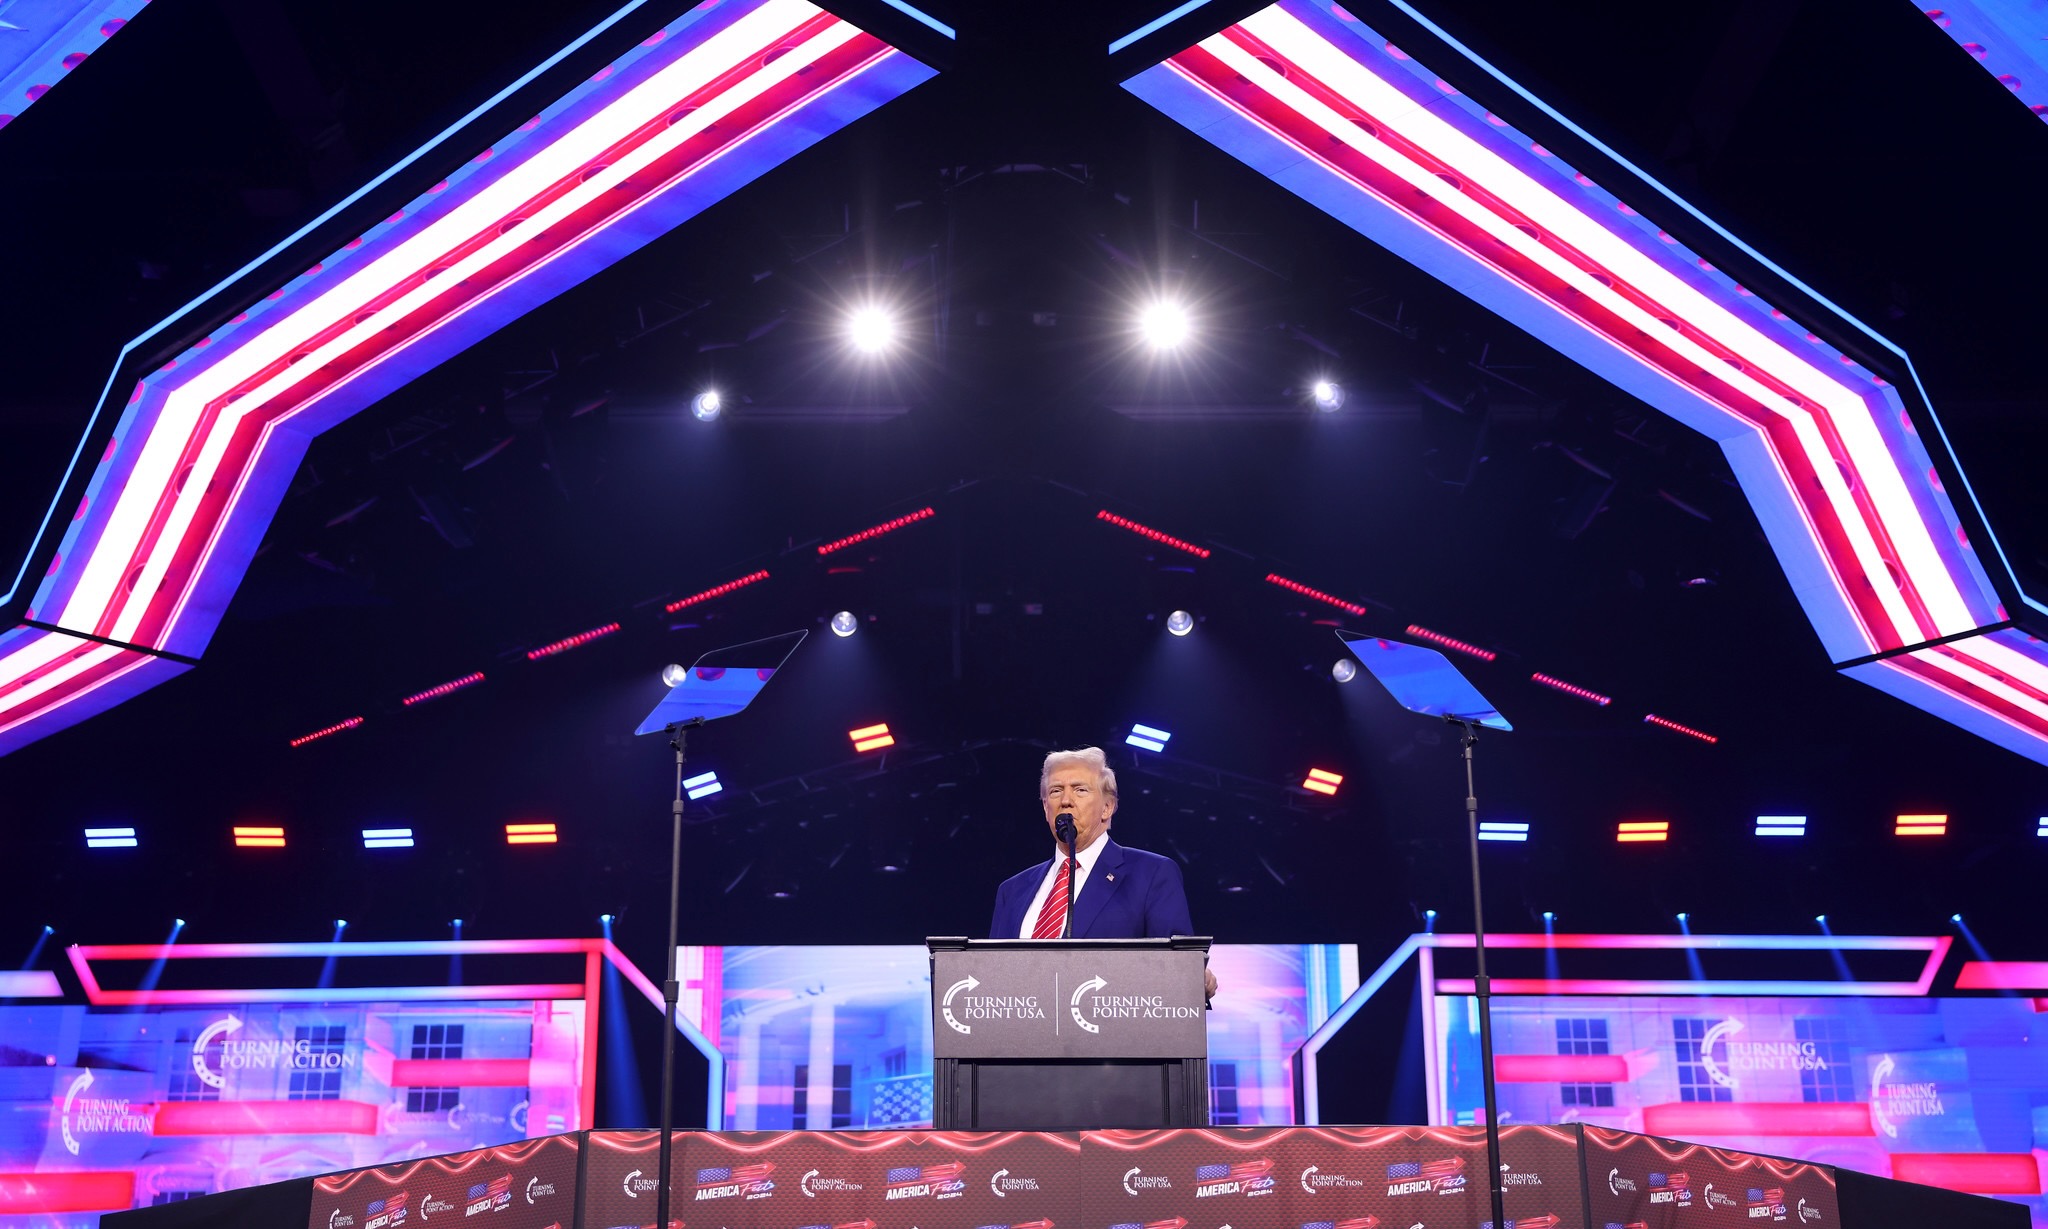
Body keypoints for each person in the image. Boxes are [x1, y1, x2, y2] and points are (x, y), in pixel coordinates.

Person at [989, 746, 1217, 997]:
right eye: (1055, 791)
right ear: (1045, 808)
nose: (1066, 800)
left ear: (1107, 807)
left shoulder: (1151, 874)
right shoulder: (1012, 891)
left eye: (1080, 790)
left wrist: (1193, 976)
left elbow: (1178, 969)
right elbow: (994, 982)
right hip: (1023, 1033)